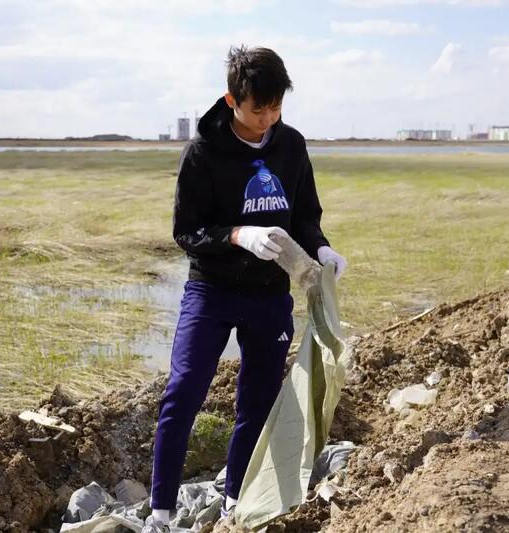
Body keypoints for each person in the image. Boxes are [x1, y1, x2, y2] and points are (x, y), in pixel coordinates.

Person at [142, 45, 347, 533]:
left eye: (277, 106)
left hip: (268, 296)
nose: (269, 118)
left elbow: (304, 215)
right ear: (232, 100)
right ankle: (160, 513)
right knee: (184, 391)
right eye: (259, 108)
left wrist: (320, 248)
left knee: (256, 401)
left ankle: (236, 502)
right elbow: (186, 231)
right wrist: (237, 235)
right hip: (210, 292)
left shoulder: (291, 146)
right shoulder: (203, 153)